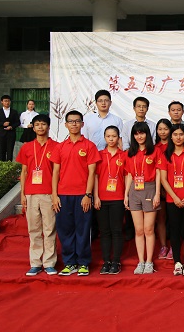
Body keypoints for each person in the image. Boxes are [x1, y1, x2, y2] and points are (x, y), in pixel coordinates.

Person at [51, 110, 100, 276]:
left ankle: (83, 262)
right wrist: (54, 195)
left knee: (83, 230)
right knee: (65, 230)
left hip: (82, 195)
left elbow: (92, 172)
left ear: (82, 124)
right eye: (71, 121)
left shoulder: (89, 146)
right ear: (66, 124)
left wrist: (88, 195)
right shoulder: (60, 147)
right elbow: (55, 172)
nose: (74, 124)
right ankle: (70, 262)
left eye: (77, 121)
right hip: (63, 195)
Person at [16, 114, 58, 276]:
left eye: (43, 124)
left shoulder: (56, 146)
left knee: (49, 229)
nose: (40, 127)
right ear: (33, 128)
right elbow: (24, 172)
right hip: (31, 193)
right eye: (37, 124)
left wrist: (55, 194)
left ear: (48, 126)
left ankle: (49, 263)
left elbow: (58, 172)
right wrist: (22, 194)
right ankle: (35, 263)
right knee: (33, 229)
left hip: (48, 193)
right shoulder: (27, 147)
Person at [158, 124, 184, 276]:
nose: (178, 137)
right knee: (175, 231)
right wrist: (174, 197)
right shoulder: (165, 155)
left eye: (181, 134)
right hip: (172, 200)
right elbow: (163, 179)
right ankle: (177, 262)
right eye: (175, 134)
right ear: (171, 136)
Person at [124, 122, 161, 275]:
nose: (139, 136)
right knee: (139, 230)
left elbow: (158, 173)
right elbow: (129, 174)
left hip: (150, 188)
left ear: (147, 134)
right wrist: (126, 194)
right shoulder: (130, 152)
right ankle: (141, 261)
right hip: (134, 190)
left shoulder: (155, 151)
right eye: (136, 133)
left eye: (142, 133)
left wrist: (157, 193)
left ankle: (149, 261)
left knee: (148, 229)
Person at [94, 126, 126, 275]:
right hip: (102, 198)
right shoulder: (99, 155)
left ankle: (116, 261)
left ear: (118, 138)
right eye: (108, 136)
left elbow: (127, 176)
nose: (111, 139)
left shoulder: (124, 155)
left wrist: (126, 196)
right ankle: (106, 261)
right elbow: (95, 177)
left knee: (117, 230)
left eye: (114, 136)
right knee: (104, 231)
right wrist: (96, 196)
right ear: (104, 138)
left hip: (118, 198)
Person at [155, 118, 173, 260]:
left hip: (175, 188)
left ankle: (173, 246)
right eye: (160, 129)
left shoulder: (176, 145)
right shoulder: (154, 148)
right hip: (159, 188)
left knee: (174, 218)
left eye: (166, 129)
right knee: (161, 218)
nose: (163, 132)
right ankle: (163, 246)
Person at [0, 94, 20, 161]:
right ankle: (2, 165)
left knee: (10, 151)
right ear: (2, 102)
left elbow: (18, 122)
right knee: (2, 150)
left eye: (8, 101)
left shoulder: (14, 112)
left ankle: (9, 165)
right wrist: (3, 124)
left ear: (10, 102)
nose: (7, 102)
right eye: (5, 101)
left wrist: (11, 127)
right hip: (1, 134)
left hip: (11, 134)